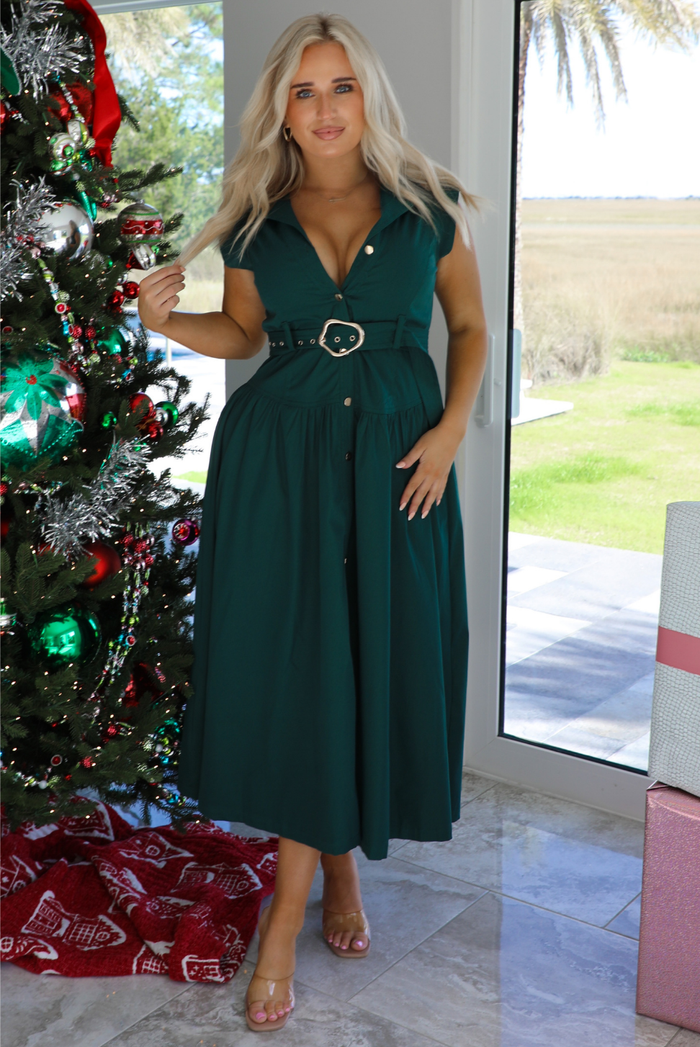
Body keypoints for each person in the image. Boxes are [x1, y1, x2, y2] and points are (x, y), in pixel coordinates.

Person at [138, 12, 487, 1033]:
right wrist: (166, 322)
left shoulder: (432, 207)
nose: (324, 108)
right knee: (304, 675)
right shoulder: (253, 218)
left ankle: (299, 904)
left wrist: (451, 430)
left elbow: (466, 326)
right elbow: (243, 333)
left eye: (340, 87)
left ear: (367, 95)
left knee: (363, 662)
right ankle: (308, 898)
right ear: (279, 109)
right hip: (277, 467)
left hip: (395, 468)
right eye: (303, 91)